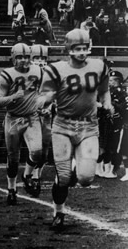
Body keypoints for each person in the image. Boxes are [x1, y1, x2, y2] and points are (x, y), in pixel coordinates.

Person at [40, 29, 113, 230]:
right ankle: (59, 212)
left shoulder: (99, 66)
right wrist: (45, 104)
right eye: (77, 48)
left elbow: (105, 90)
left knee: (86, 178)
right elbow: (46, 94)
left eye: (84, 48)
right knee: (62, 178)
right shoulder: (56, 70)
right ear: (69, 50)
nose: (82, 52)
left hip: (88, 125)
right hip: (63, 125)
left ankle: (73, 168)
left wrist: (107, 103)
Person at [0, 43, 46, 204]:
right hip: (13, 118)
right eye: (20, 57)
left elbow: (47, 90)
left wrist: (46, 103)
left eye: (26, 57)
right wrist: (13, 97)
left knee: (37, 152)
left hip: (32, 117)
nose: (23, 60)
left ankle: (27, 175)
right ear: (13, 58)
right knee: (13, 158)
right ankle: (11, 188)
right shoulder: (6, 75)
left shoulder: (39, 71)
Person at [30, 44, 52, 187]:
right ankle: (30, 174)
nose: (40, 61)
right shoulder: (26, 74)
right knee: (35, 147)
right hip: (28, 116)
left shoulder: (50, 75)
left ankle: (37, 174)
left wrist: (50, 107)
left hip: (45, 116)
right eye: (37, 58)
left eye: (43, 58)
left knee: (44, 149)